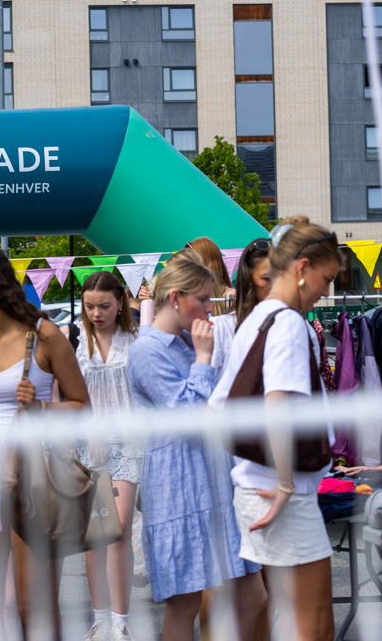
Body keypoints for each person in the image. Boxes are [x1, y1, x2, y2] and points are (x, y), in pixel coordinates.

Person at [0, 243, 90, 641]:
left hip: (33, 475)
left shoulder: (43, 334)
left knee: (32, 605)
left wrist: (41, 408)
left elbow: (82, 406)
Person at [209, 217, 338, 641]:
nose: (326, 291)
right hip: (282, 490)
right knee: (313, 626)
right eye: (325, 278)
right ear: (302, 269)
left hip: (260, 485)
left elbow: (220, 404)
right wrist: (284, 483)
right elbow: (278, 404)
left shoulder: (260, 318)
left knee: (303, 620)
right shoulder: (287, 324)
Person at [129, 255, 266, 641]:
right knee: (185, 604)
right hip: (178, 485)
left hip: (216, 479)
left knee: (252, 593)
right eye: (203, 299)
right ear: (175, 298)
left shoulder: (190, 337)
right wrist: (204, 358)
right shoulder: (147, 349)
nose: (209, 308)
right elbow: (186, 416)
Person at [77, 271, 142, 641]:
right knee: (96, 535)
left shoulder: (135, 341)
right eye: (89, 306)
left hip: (129, 443)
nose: (96, 313)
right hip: (92, 446)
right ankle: (100, 618)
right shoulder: (77, 341)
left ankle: (120, 621)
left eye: (104, 305)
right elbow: (72, 395)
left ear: (120, 301)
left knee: (117, 532)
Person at [233, 238, 273, 325]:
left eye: (281, 278)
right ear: (248, 279)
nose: (276, 286)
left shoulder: (295, 323)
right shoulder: (223, 327)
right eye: (267, 279)